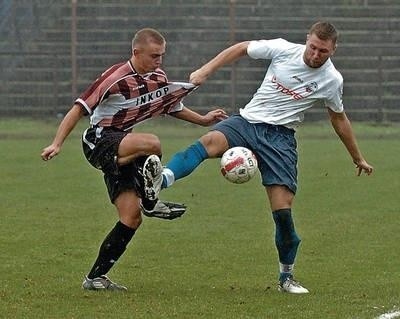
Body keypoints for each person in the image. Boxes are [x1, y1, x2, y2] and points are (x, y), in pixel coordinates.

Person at [144, 21, 374, 294]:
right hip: (248, 122)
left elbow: (338, 118)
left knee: (283, 211)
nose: (315, 55)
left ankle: (286, 278)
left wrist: (357, 157)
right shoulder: (283, 49)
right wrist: (205, 71)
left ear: (333, 50)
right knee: (207, 143)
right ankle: (161, 180)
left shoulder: (332, 80)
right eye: (312, 47)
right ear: (307, 40)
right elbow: (242, 48)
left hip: (280, 140)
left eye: (323, 51)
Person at [41, 28, 227, 291]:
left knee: (131, 217)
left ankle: (95, 278)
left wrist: (203, 120)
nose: (159, 61)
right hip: (99, 141)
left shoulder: (157, 77)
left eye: (162, 55)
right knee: (151, 143)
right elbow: (78, 109)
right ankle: (151, 200)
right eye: (154, 56)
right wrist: (57, 143)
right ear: (136, 52)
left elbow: (171, 107)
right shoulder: (115, 77)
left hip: (124, 148)